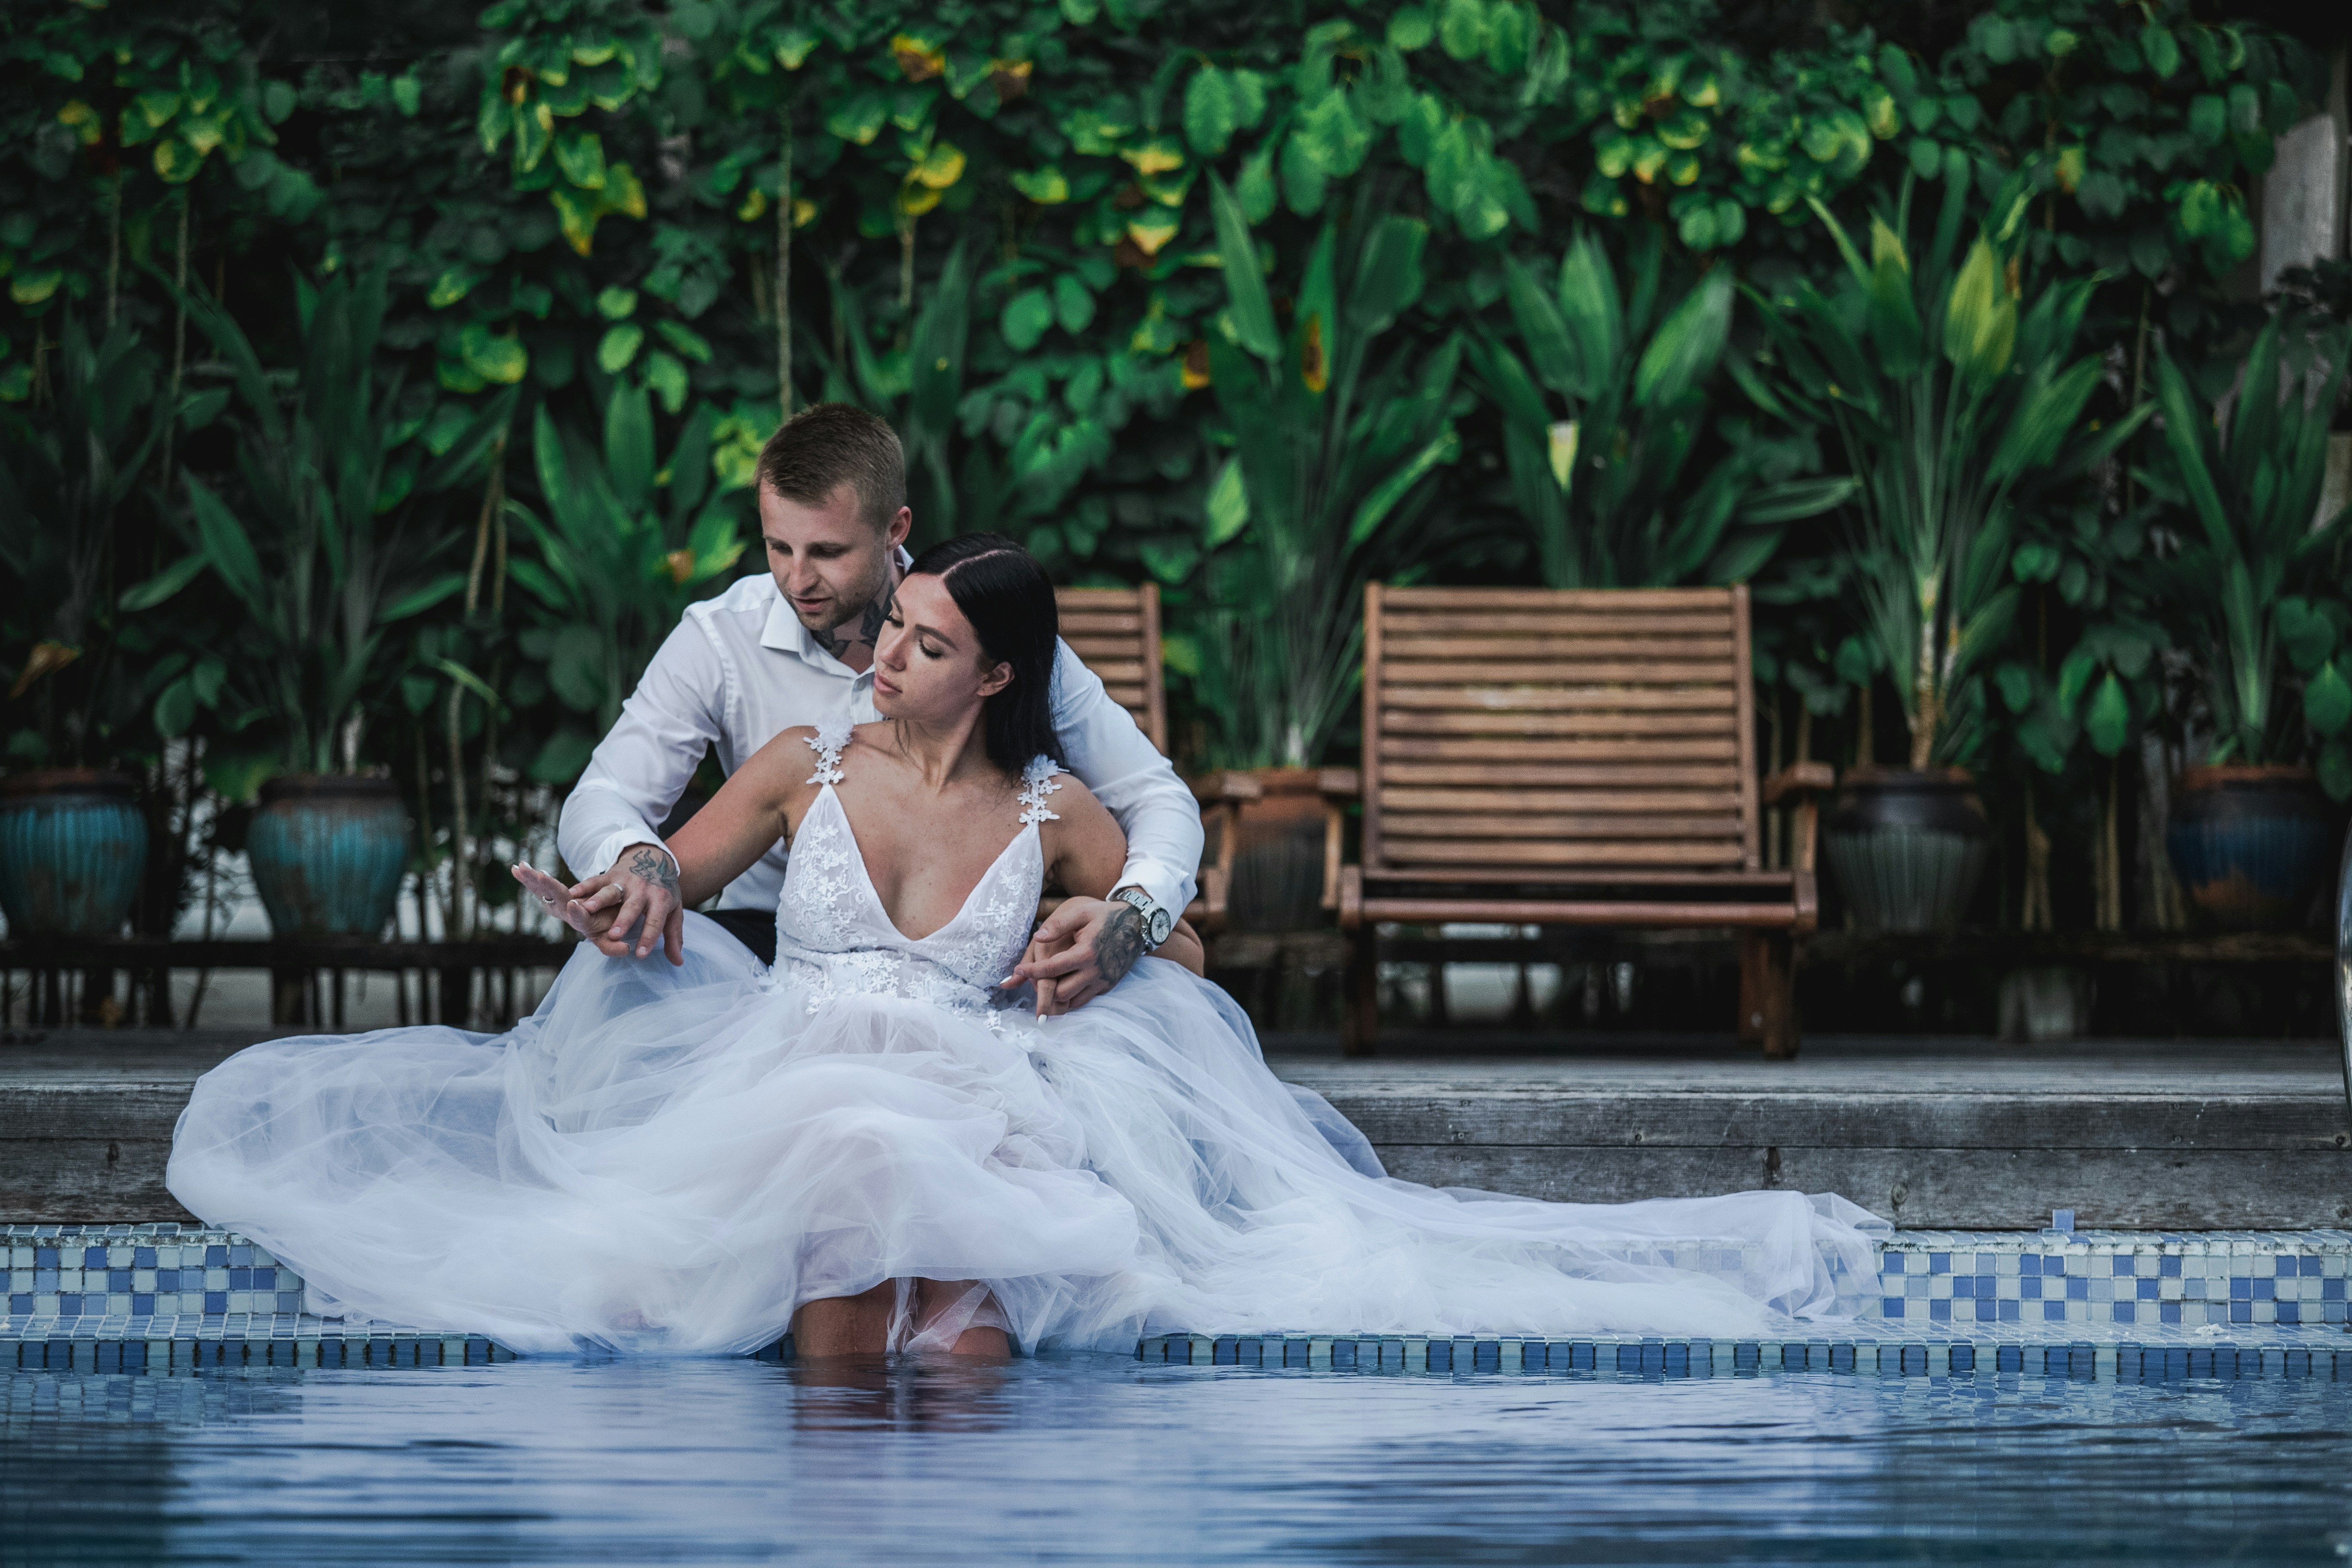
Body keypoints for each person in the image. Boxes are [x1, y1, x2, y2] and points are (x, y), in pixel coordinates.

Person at [167, 536, 1883, 1360]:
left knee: (967, 1354)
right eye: (887, 630)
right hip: (793, 1087)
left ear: (995, 676)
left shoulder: (1063, 804)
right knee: (837, 1335)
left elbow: (1186, 941)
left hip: (983, 1095)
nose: (883, 656)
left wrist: (1115, 944)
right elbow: (665, 883)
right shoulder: (801, 762)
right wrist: (629, 895)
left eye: (920, 643)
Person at [554, 401, 1197, 1014]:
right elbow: (605, 795)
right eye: (778, 547)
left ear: (896, 529)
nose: (796, 580)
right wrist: (640, 866)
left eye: (827, 552)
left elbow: (1155, 797)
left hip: (963, 972)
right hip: (759, 943)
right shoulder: (721, 641)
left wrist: (1135, 913)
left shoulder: (993, 642)